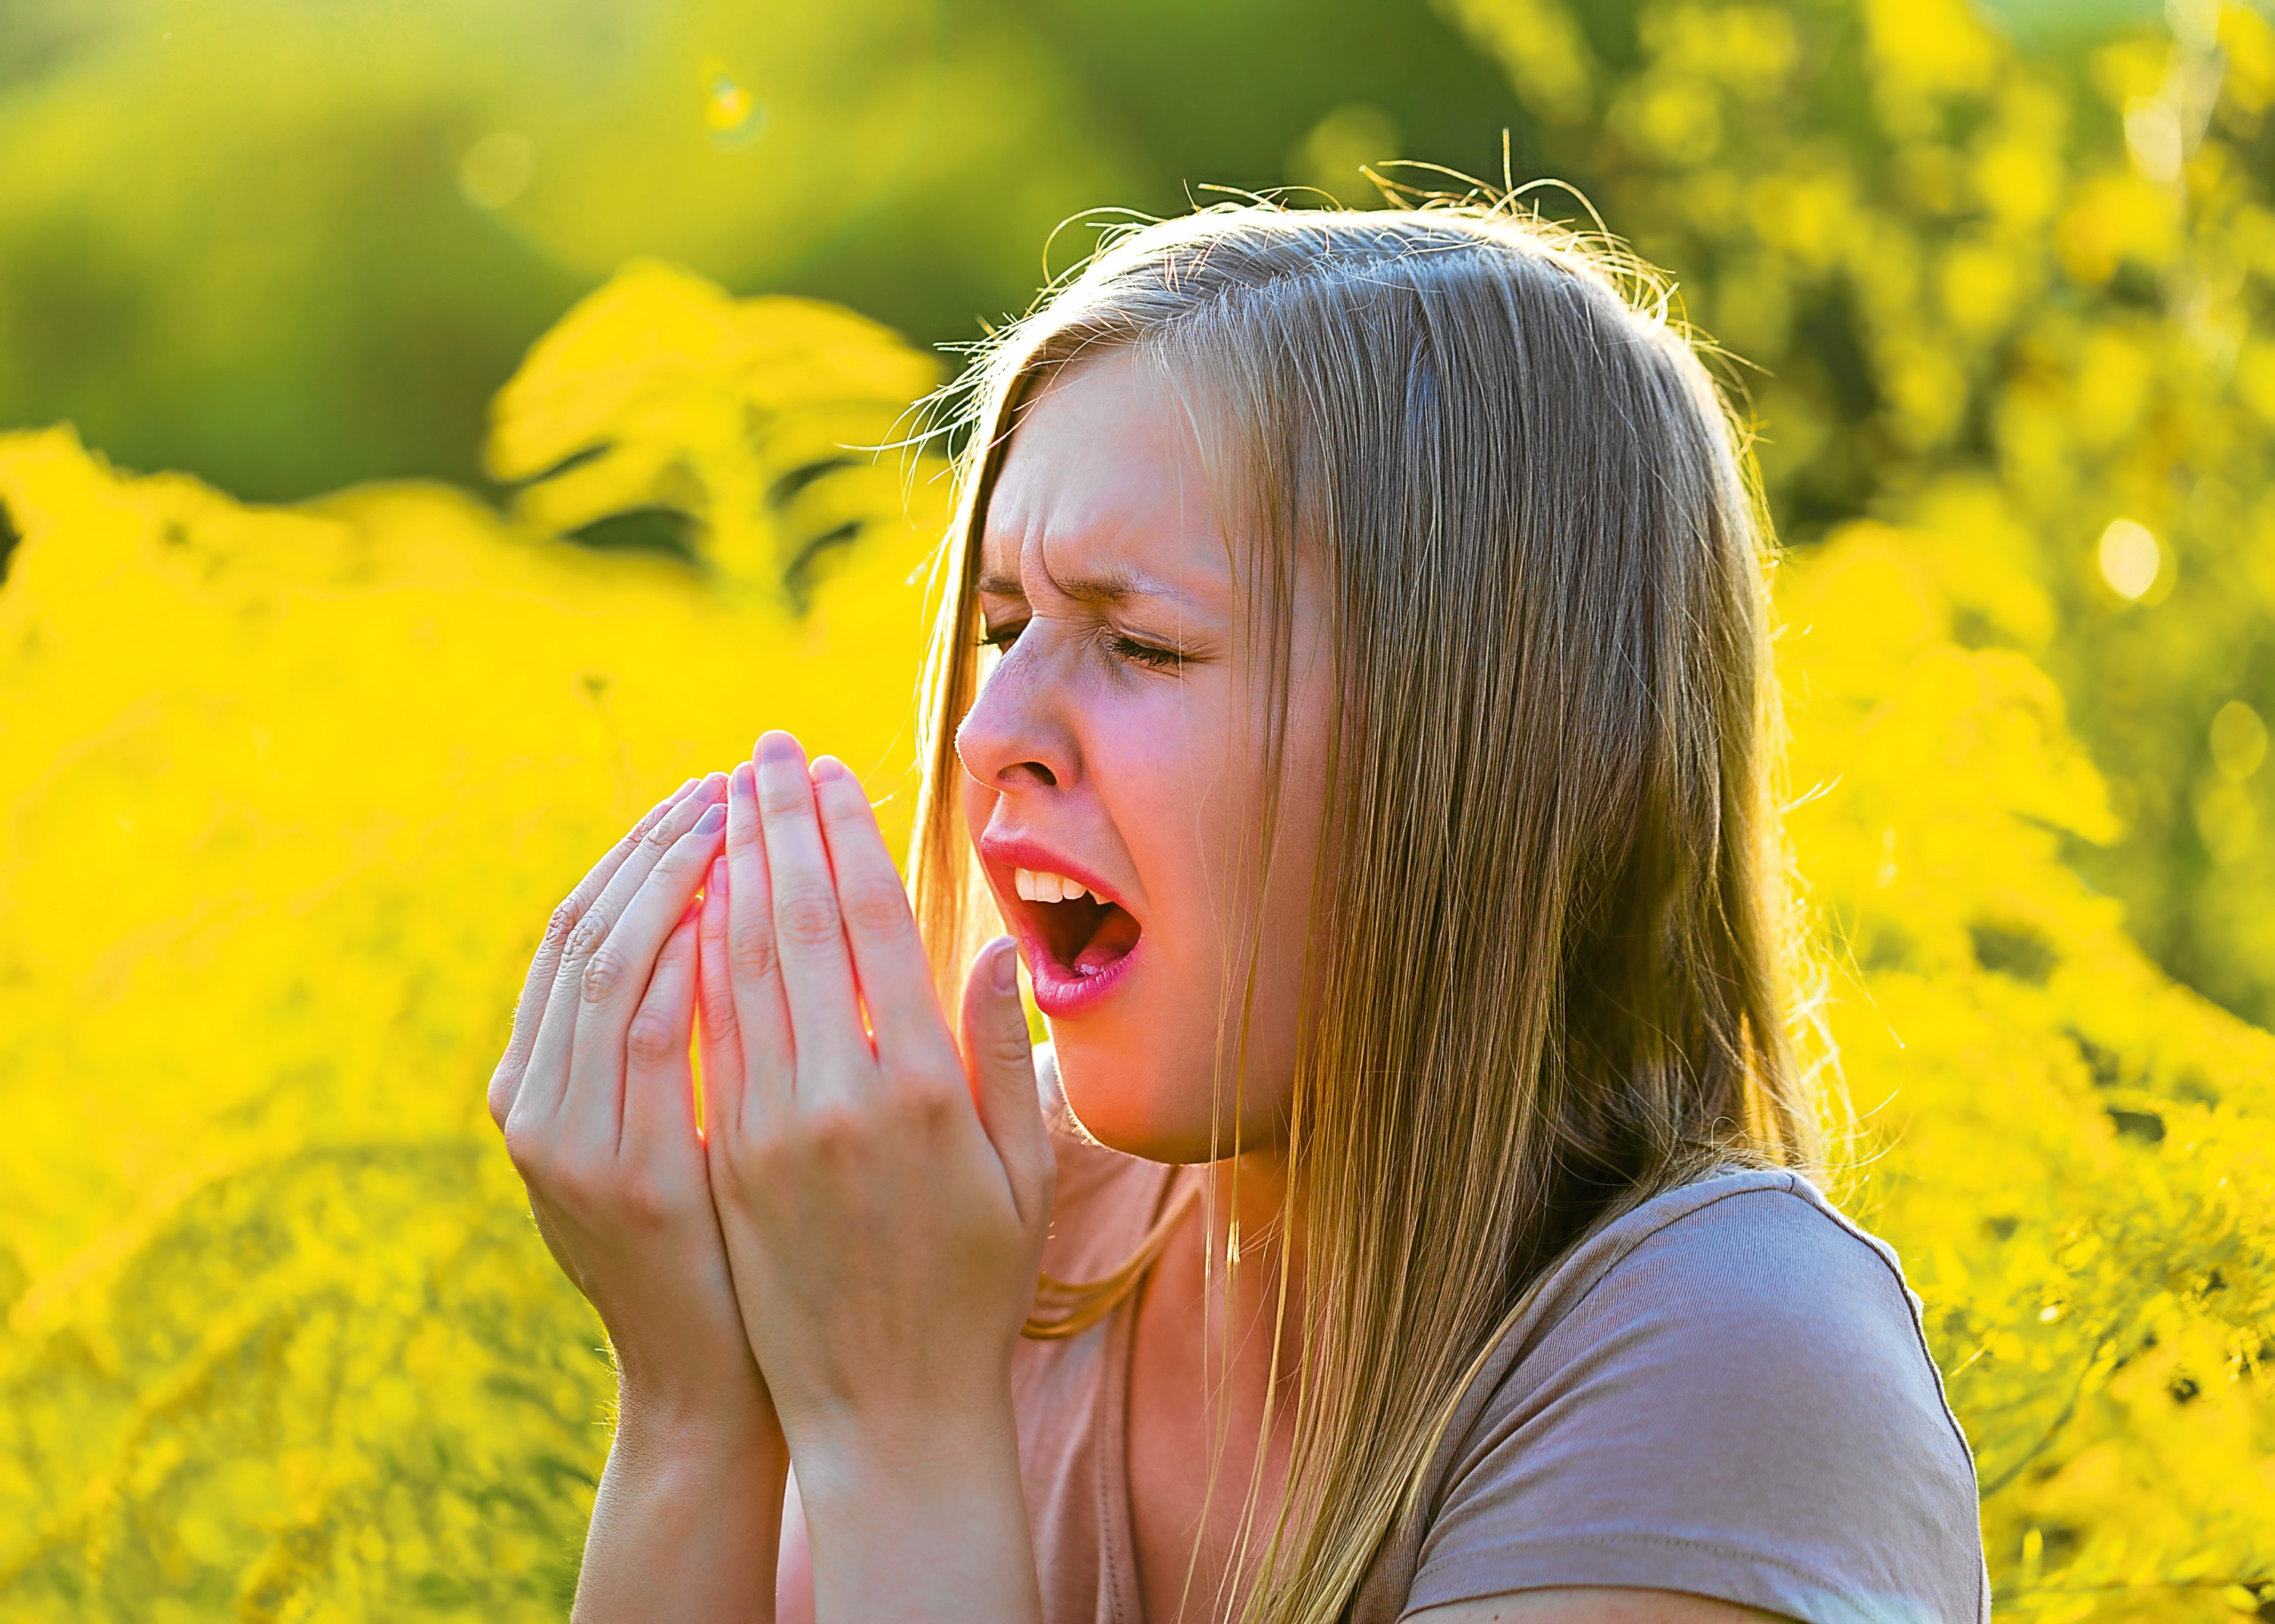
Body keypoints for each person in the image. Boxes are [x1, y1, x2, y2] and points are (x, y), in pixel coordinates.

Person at [484, 202, 1991, 1624]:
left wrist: (898, 1426)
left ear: (1485, 750)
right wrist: (696, 1403)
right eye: (1004, 627)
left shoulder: (1721, 1358)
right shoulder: (1005, 1243)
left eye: (1139, 643)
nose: (989, 726)